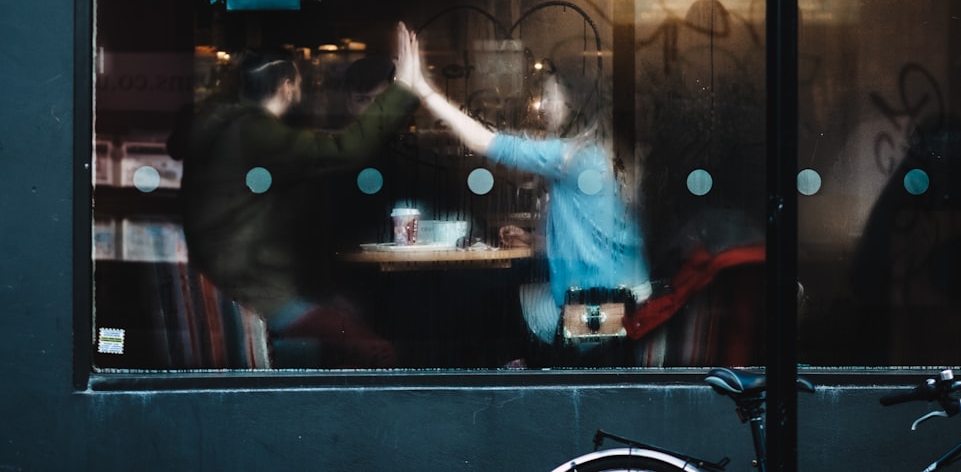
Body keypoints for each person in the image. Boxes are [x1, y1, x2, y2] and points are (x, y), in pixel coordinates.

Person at [177, 22, 421, 368]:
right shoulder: (255, 132)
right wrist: (404, 89)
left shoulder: (224, 123)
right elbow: (346, 149)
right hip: (255, 294)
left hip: (237, 284)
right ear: (287, 85)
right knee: (378, 351)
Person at [403, 32, 650, 352]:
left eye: (550, 96)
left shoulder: (569, 156)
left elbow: (486, 144)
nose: (542, 106)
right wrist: (537, 242)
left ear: (573, 100)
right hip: (628, 298)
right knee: (497, 297)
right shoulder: (603, 151)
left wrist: (422, 87)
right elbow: (601, 239)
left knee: (475, 301)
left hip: (598, 313)